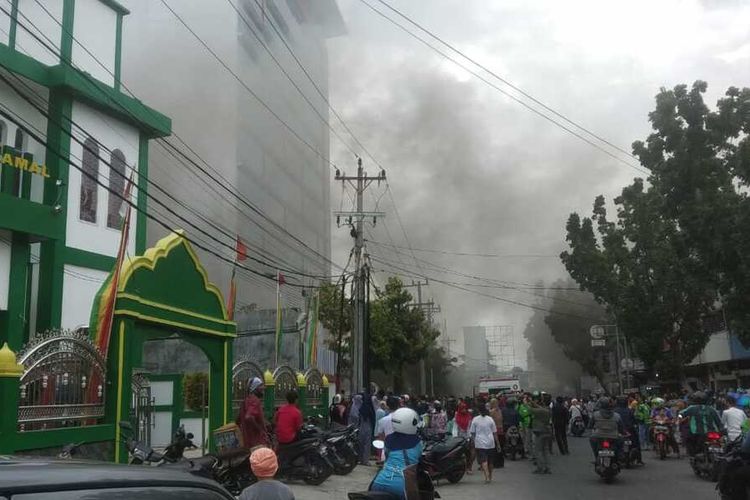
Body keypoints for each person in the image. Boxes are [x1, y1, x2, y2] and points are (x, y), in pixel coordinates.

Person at [370, 408, 423, 499]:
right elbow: (418, 459)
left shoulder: (389, 439)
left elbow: (387, 456)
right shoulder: (418, 443)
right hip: (401, 486)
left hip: (379, 482)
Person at [680, 391, 723, 457]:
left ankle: (693, 455)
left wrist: (680, 418)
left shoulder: (692, 408)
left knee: (688, 440)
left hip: (696, 432)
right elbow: (718, 421)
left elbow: (681, 414)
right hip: (712, 431)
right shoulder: (711, 409)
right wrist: (721, 430)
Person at [470, 402, 499, 483]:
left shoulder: (475, 419)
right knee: (490, 461)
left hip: (480, 443)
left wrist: (473, 442)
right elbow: (494, 433)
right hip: (491, 443)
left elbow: (472, 433)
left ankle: (486, 476)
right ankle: (490, 476)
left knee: (483, 460)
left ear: (478, 410)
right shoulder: (490, 419)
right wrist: (498, 444)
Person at [237, 377, 269, 448]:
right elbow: (248, 417)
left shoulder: (246, 400)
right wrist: (259, 429)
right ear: (255, 388)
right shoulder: (255, 400)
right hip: (257, 441)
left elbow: (239, 419)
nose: (263, 388)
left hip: (247, 441)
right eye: (260, 386)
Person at [614, 395, 642, 464]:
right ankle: (639, 459)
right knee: (637, 443)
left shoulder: (614, 411)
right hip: (628, 430)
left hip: (619, 431)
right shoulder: (629, 410)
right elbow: (634, 420)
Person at [529, 392, 552, 473]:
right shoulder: (547, 409)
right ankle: (547, 467)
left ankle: (540, 467)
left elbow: (530, 410)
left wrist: (526, 403)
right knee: (546, 450)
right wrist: (532, 402)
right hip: (547, 431)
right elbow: (539, 408)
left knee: (538, 450)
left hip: (539, 431)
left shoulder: (540, 411)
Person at [518, 394, 533, 460]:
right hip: (522, 424)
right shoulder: (519, 406)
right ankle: (525, 450)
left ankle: (528, 451)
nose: (524, 400)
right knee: (523, 438)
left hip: (528, 424)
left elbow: (532, 413)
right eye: (523, 399)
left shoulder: (529, 406)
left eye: (525, 399)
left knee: (528, 438)